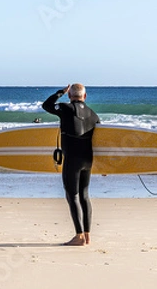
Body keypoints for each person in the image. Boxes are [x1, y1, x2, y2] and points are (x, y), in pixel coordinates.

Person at [42, 84, 100, 246]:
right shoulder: (93, 115)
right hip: (88, 160)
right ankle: (87, 235)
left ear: (70, 96)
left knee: (71, 195)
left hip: (72, 159)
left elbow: (46, 105)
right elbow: (101, 142)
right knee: (84, 195)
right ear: (85, 96)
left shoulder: (65, 108)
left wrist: (60, 92)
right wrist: (104, 166)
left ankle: (79, 236)